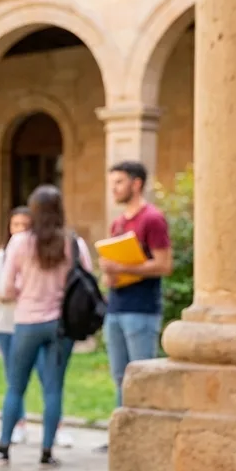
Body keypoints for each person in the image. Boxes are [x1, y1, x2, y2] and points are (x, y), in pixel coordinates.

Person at [0, 185, 92, 468]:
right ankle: (47, 451)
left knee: (15, 386)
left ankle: (3, 447)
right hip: (61, 325)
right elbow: (87, 280)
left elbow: (5, 288)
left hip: (27, 322)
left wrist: (25, 289)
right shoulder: (73, 243)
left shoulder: (20, 242)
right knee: (53, 388)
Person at [100, 161, 173, 407]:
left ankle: (143, 429)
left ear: (136, 183)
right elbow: (114, 267)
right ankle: (122, 428)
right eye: (112, 183)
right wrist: (109, 273)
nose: (114, 188)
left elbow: (164, 264)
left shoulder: (152, 219)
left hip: (141, 310)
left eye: (119, 182)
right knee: (120, 378)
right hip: (115, 308)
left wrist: (121, 268)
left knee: (141, 378)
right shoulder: (118, 223)